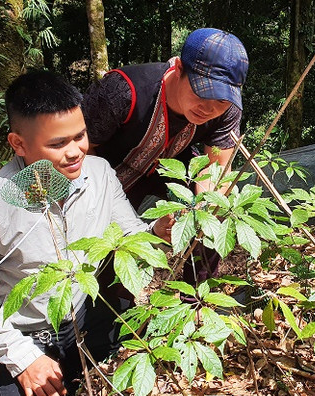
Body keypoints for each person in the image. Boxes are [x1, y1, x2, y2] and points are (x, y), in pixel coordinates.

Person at [0, 70, 171, 396]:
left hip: (82, 315)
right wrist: (22, 358)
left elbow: (130, 235)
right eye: (57, 144)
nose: (74, 152)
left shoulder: (99, 173)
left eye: (80, 136)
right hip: (22, 331)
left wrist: (157, 231)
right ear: (18, 144)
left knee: (122, 391)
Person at [82, 27, 248, 283]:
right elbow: (81, 148)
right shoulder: (123, 91)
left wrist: (200, 210)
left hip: (172, 166)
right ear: (178, 68)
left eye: (222, 100)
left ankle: (196, 299)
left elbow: (214, 172)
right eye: (202, 91)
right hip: (110, 169)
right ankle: (113, 304)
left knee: (215, 212)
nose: (209, 108)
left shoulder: (228, 112)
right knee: (116, 244)